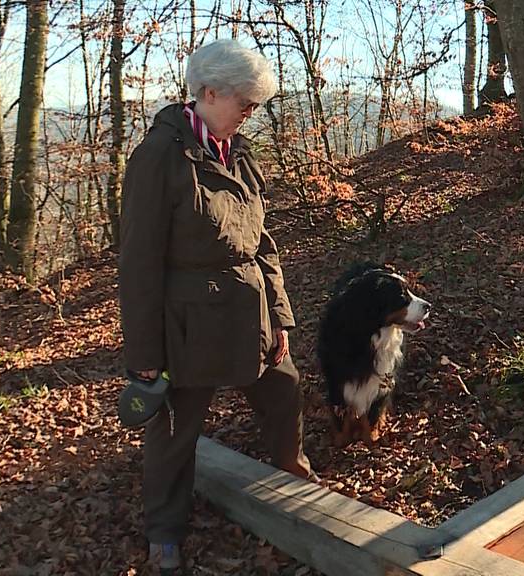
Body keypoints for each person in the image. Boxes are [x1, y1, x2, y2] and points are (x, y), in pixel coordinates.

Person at [118, 39, 316, 575]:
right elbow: (137, 264)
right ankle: (163, 530)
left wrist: (279, 315)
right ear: (208, 93)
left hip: (248, 309)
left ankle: (294, 478)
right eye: (245, 104)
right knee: (175, 430)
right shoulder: (159, 156)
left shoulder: (240, 152)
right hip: (187, 323)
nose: (250, 114)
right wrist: (143, 356)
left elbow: (262, 241)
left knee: (284, 387)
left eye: (255, 106)